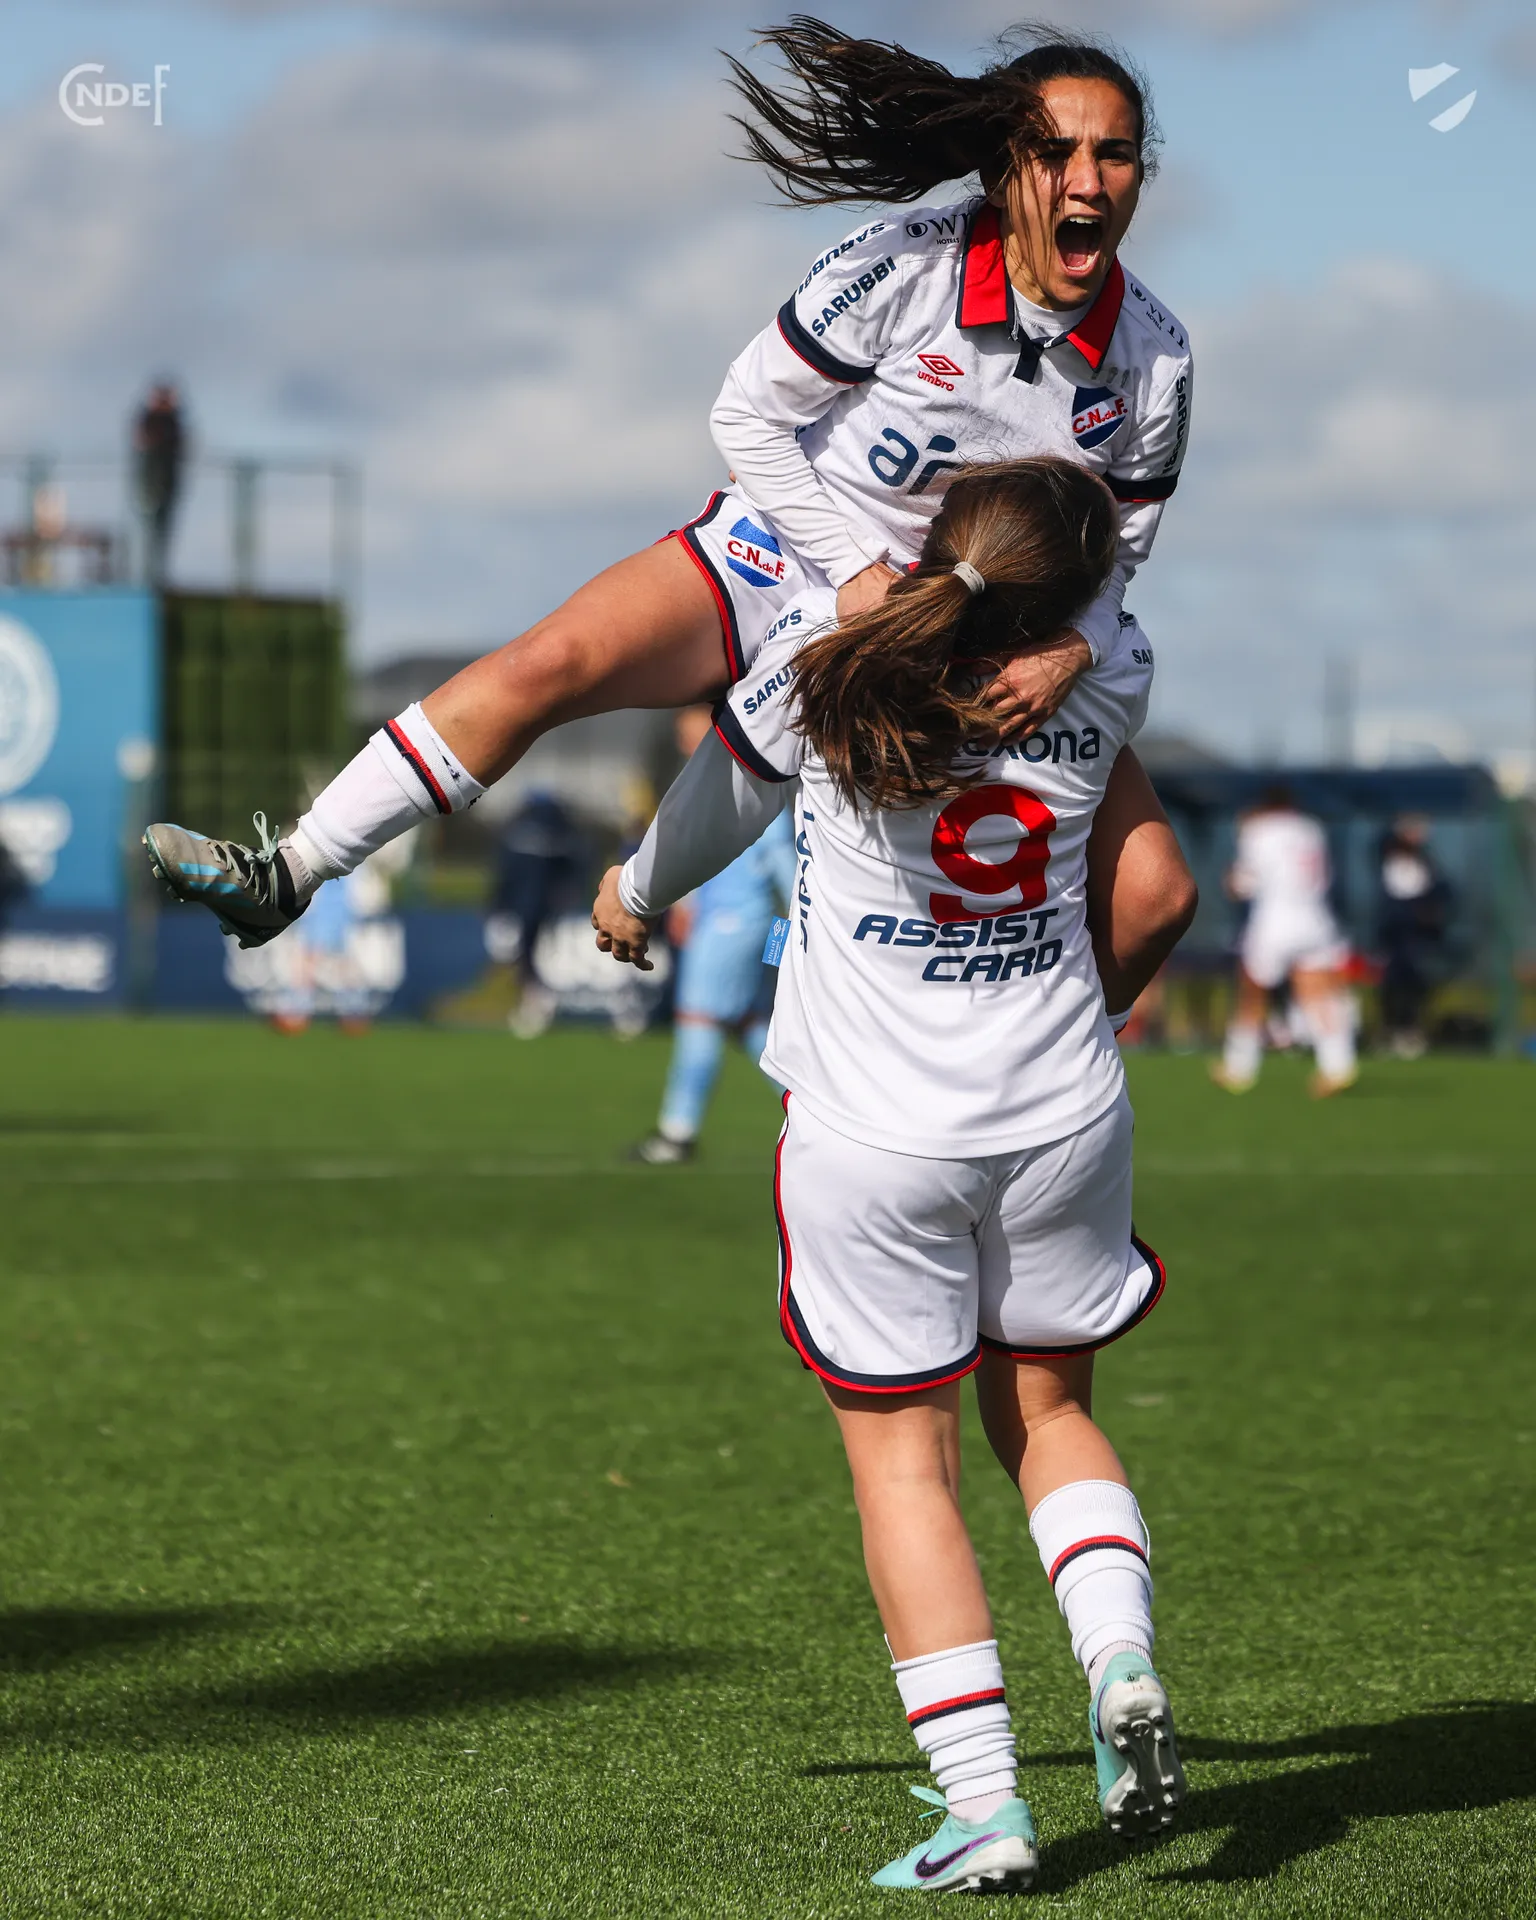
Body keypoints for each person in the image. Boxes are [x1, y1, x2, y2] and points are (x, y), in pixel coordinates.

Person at [142, 19, 1195, 1008]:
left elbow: (1121, 554)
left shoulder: (1157, 356)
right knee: (545, 666)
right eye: (1054, 152)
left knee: (1156, 897)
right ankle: (289, 871)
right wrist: (851, 572)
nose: (1086, 179)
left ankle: (1046, 1077)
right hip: (785, 553)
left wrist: (1068, 651)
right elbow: (746, 415)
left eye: (1115, 155)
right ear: (1003, 168)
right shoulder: (902, 265)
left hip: (969, 626)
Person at [593, 459, 1189, 1893]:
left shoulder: (825, 662)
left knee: (903, 1465)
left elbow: (714, 806)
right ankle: (1120, 1662)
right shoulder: (1110, 674)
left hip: (874, 1134)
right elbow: (1159, 891)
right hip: (1060, 1113)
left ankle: (986, 1809)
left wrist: (630, 891)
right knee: (1051, 1416)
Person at [633, 707, 796, 1165]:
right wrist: (685, 905)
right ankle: (812, 1109)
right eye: (683, 733)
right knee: (747, 1021)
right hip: (724, 922)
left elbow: (788, 875)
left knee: (698, 1017)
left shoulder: (751, 783)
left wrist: (784, 940)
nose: (687, 740)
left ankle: (677, 1132)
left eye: (695, 730)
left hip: (734, 926)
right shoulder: (707, 783)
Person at [1213, 785, 1357, 1097]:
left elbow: (1245, 884)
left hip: (1275, 920)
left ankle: (1238, 1067)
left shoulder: (1258, 830)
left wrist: (1231, 879)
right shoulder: (1312, 829)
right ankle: (1337, 1066)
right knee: (1318, 994)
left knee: (1252, 993)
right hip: (1315, 918)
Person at [1375, 814, 1451, 1059]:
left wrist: (1431, 915)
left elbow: (1442, 892)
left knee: (1415, 985)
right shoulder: (1389, 859)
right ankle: (1391, 1030)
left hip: (1417, 936)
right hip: (1395, 935)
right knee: (1392, 984)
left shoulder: (1426, 863)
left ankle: (1410, 1030)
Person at [132, 380, 186, 587]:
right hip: (148, 487)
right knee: (146, 534)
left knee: (162, 535)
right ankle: (145, 578)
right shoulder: (149, 421)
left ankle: (158, 577)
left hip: (166, 487)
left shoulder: (174, 422)